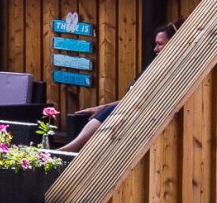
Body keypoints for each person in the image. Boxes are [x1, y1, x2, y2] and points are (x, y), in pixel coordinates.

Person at [59, 22, 177, 153]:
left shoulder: (172, 70)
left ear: (174, 43)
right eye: (156, 44)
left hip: (148, 116)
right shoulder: (154, 67)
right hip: (133, 109)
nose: (155, 49)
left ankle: (70, 149)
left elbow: (148, 98)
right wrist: (101, 107)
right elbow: (133, 97)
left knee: (112, 110)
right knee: (105, 110)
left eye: (160, 44)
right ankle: (72, 149)